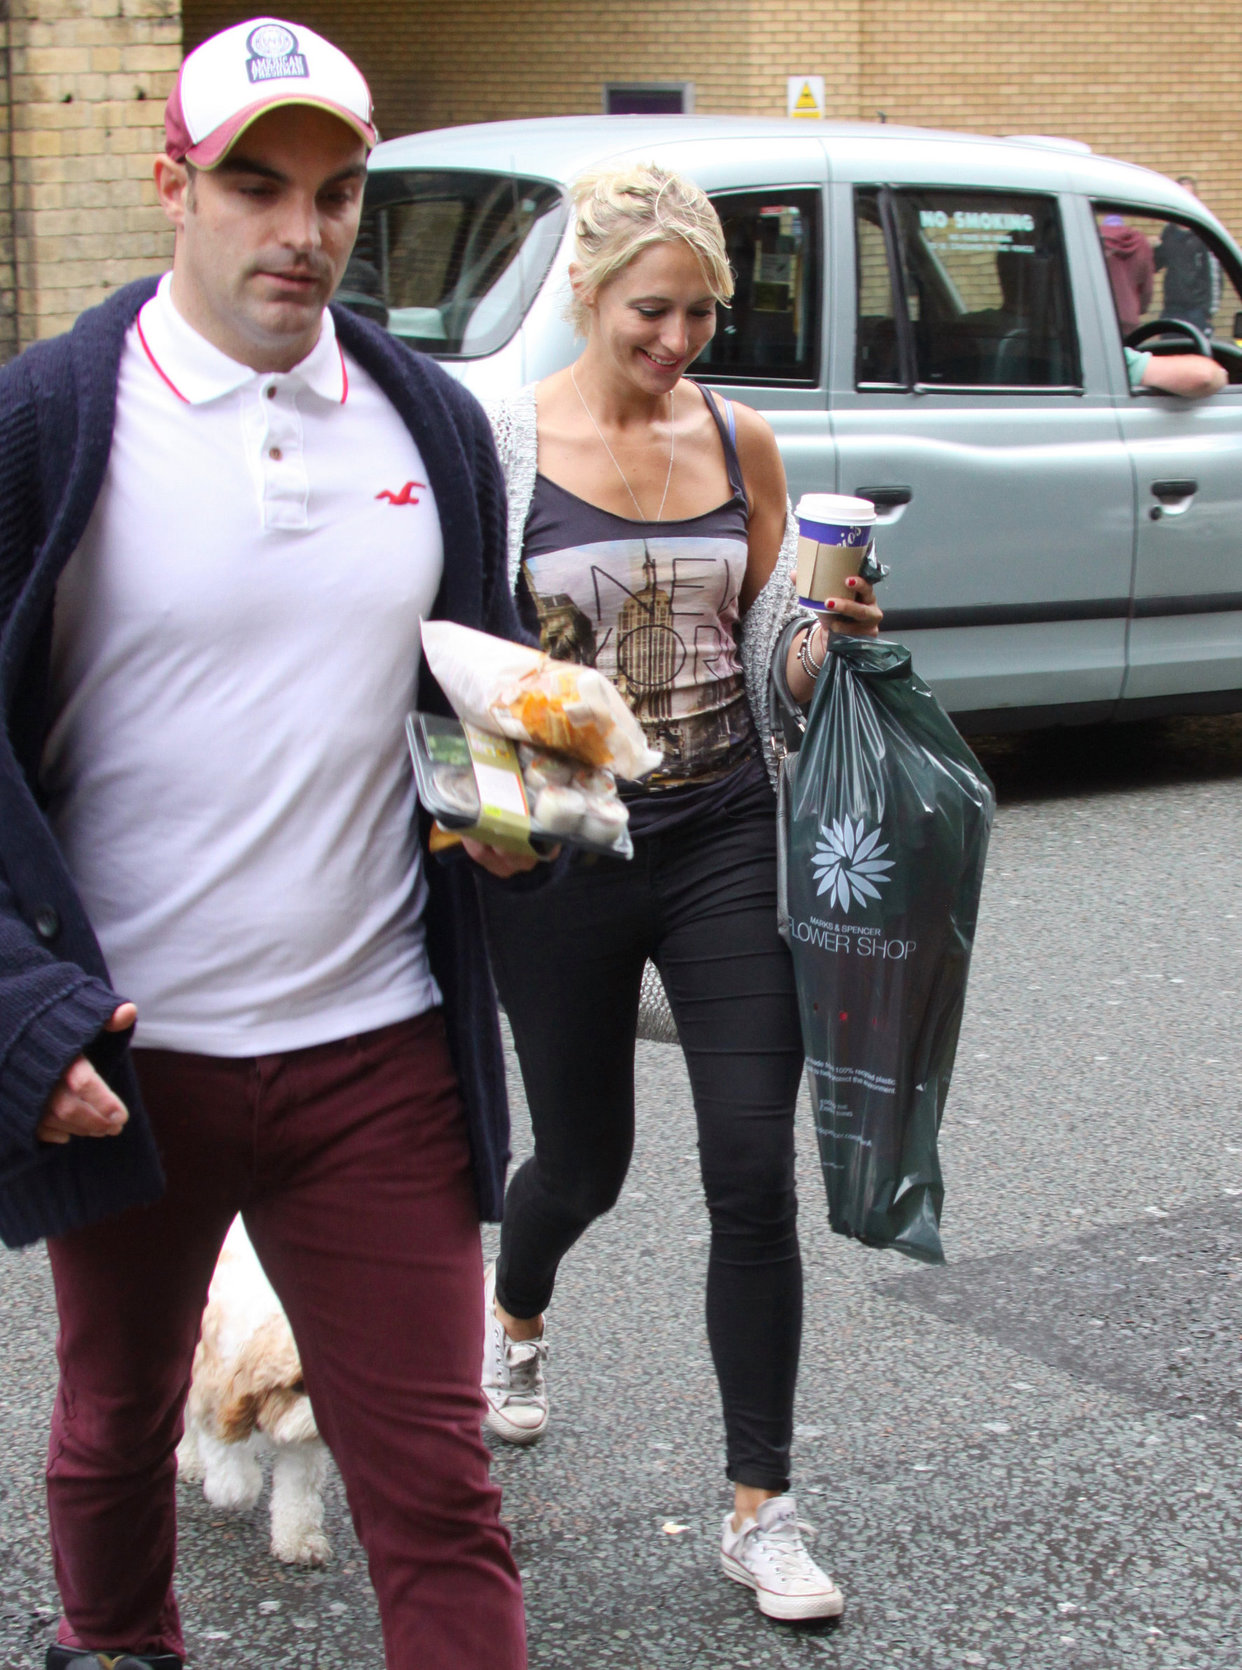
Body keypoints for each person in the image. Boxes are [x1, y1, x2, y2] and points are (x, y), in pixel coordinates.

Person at [0, 18, 538, 1670]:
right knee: (114, 1427)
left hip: (375, 1053)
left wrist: (522, 814)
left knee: (438, 1496)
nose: (300, 228)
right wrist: (25, 1018)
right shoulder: (46, 423)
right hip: (136, 1062)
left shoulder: (431, 428)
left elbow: (472, 698)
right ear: (174, 187)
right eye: (256, 183)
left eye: (335, 191)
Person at [478, 164, 880, 1625]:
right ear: (588, 292)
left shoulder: (741, 437)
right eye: (654, 307)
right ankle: (514, 1315)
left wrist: (821, 639)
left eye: (703, 308)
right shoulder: (504, 444)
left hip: (722, 832)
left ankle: (759, 1508)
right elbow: (454, 651)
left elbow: (775, 647)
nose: (679, 337)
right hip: (570, 846)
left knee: (745, 1168)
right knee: (581, 1162)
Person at [1154, 179, 1220, 335]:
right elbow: (1156, 265)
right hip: (1171, 309)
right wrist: (1153, 248)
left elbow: (1214, 276)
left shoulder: (1204, 232)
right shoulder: (1168, 232)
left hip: (1196, 311)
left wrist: (1208, 313)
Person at [1101, 212, 1155, 334]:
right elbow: (1147, 287)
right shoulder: (1141, 243)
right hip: (1129, 317)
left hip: (1100, 317)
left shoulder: (1094, 239)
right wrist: (1140, 308)